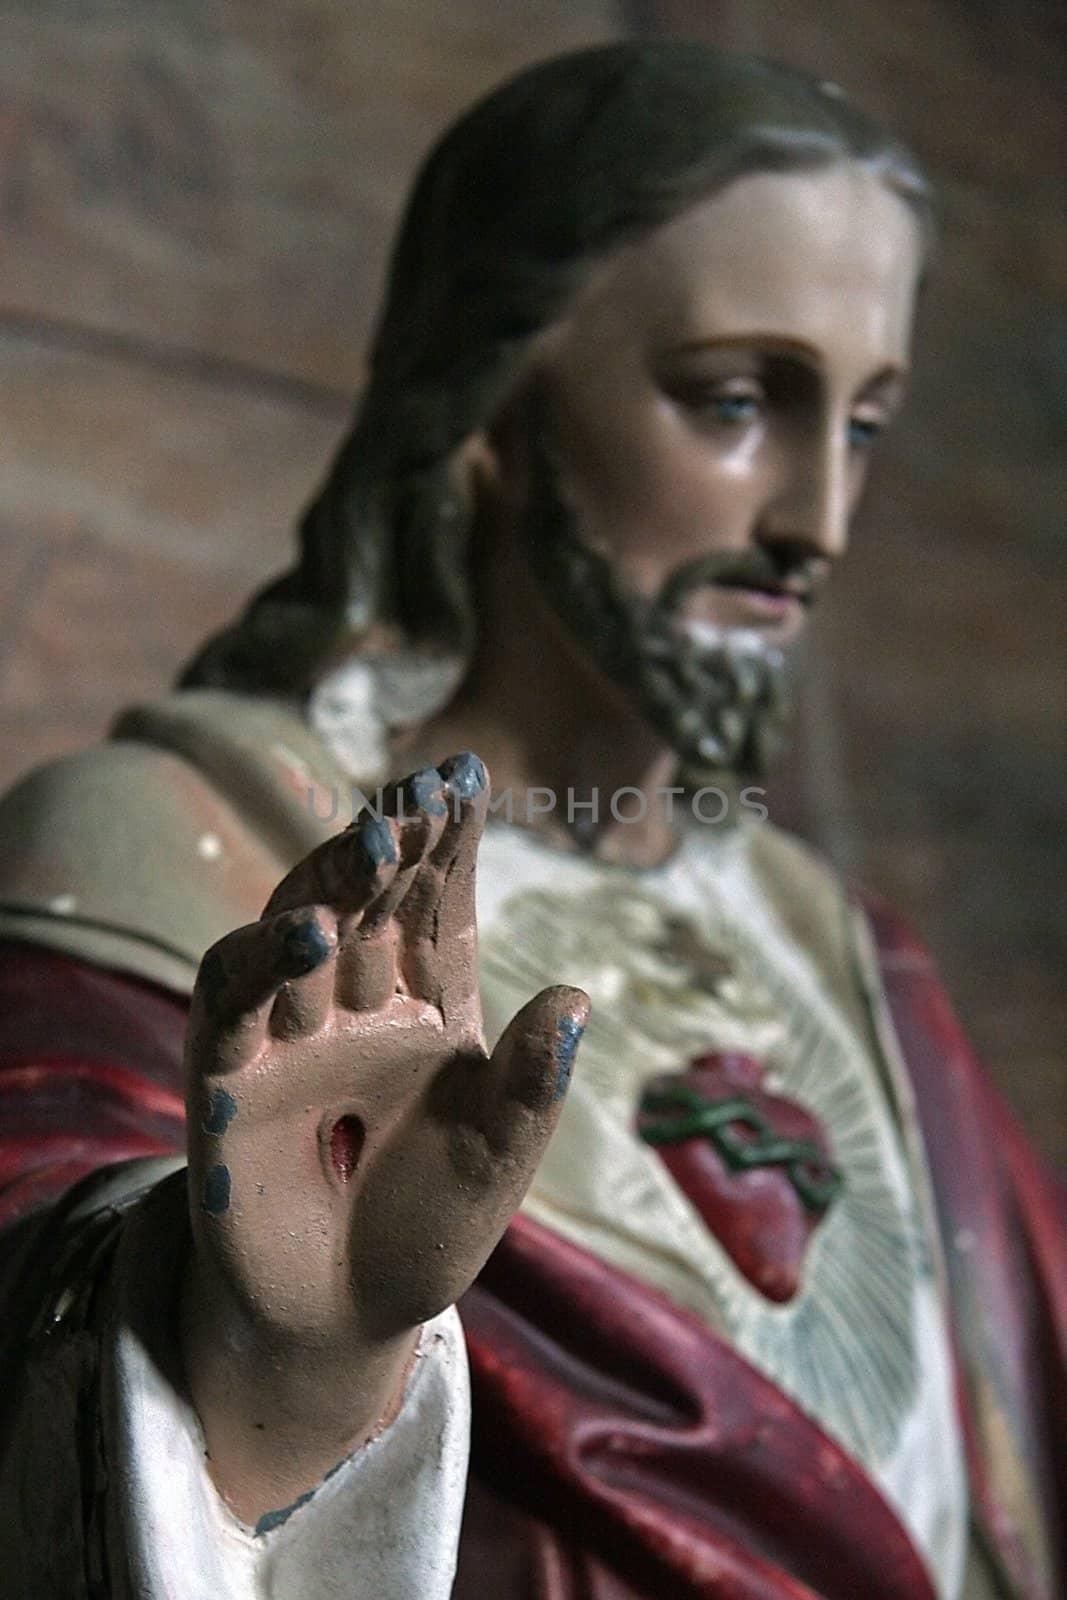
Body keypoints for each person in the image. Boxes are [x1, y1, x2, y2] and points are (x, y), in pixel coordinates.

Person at [0, 41, 1061, 1600]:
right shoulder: (179, 861)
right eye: (737, 400)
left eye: (865, 424)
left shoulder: (851, 965)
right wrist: (276, 1348)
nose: (815, 524)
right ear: (489, 399)